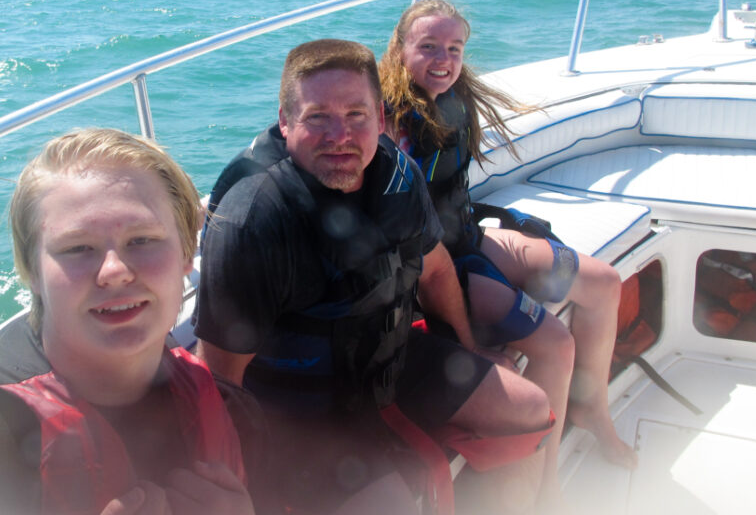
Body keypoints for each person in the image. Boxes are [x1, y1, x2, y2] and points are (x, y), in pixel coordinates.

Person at [194, 39, 554, 515]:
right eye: (317, 116)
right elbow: (221, 379)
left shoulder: (397, 177)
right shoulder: (253, 220)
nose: (339, 135)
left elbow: (437, 270)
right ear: (285, 122)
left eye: (356, 115)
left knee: (528, 409)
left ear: (381, 119)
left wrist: (467, 347)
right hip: (303, 412)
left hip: (390, 360)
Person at [0, 128, 255, 515]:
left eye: (142, 240)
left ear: (187, 255)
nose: (114, 270)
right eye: (77, 248)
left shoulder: (225, 405)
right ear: (32, 272)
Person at [378, 0, 639, 504]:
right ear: (400, 49)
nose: (443, 59)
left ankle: (591, 409)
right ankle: (549, 487)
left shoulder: (455, 99)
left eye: (454, 48)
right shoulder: (391, 123)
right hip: (438, 267)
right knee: (556, 344)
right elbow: (406, 236)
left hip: (470, 237)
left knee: (603, 282)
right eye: (428, 46)